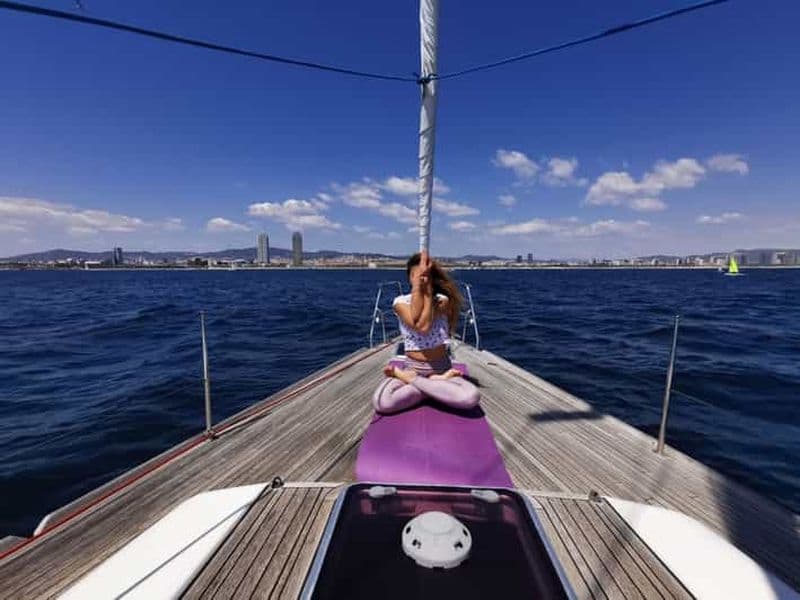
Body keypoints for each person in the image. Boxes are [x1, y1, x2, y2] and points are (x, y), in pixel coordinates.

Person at [372, 250, 481, 414]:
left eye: (425, 275)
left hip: (440, 367)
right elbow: (418, 324)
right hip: (412, 367)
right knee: (383, 402)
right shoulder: (400, 302)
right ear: (409, 277)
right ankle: (436, 387)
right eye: (416, 276)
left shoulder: (442, 300)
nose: (421, 279)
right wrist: (418, 287)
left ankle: (417, 381)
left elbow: (424, 326)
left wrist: (429, 294)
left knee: (470, 397)